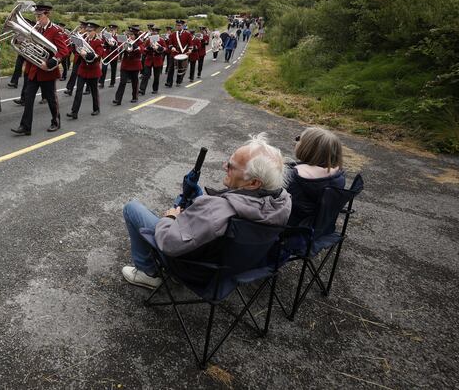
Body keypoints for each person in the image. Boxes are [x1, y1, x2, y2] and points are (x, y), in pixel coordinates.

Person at [120, 133, 291, 289]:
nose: (225, 166)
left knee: (132, 208)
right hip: (228, 269)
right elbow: (215, 218)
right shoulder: (282, 204)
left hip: (192, 269)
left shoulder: (217, 211)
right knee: (183, 204)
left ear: (253, 183)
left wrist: (170, 218)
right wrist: (200, 200)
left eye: (231, 166)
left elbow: (169, 243)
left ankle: (147, 272)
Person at [12, 3, 69, 135]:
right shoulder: (35, 29)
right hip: (34, 69)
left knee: (51, 99)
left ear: (47, 15)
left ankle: (56, 121)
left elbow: (63, 51)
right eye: (36, 16)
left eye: (39, 16)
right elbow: (30, 44)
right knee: (28, 98)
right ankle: (25, 127)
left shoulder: (55, 30)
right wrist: (20, 42)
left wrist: (50, 63)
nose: (37, 19)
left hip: (47, 71)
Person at [285, 127, 345, 228]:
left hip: (292, 228)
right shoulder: (338, 176)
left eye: (299, 139)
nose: (296, 141)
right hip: (319, 228)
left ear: (308, 148)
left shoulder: (294, 176)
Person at [67, 23, 104, 119]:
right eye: (87, 31)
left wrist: (86, 54)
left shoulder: (98, 42)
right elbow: (76, 52)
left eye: (90, 31)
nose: (87, 33)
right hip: (83, 69)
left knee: (94, 91)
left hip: (93, 70)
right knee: (78, 91)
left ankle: (96, 109)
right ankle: (74, 112)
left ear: (95, 31)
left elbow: (98, 56)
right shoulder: (84, 40)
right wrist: (74, 46)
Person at [113, 26, 144, 105]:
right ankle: (118, 99)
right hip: (125, 64)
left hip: (135, 65)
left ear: (136, 35)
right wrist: (121, 47)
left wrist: (134, 46)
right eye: (129, 35)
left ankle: (135, 97)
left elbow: (141, 50)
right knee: (122, 82)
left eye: (132, 35)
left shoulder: (139, 42)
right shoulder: (125, 41)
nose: (130, 36)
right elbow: (120, 50)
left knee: (134, 82)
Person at [138, 28, 166, 95]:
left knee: (156, 76)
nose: (153, 33)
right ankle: (142, 89)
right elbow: (144, 49)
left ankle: (155, 89)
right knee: (146, 75)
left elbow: (165, 49)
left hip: (157, 59)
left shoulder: (161, 40)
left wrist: (159, 48)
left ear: (158, 33)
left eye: (155, 32)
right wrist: (148, 48)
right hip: (149, 59)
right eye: (153, 31)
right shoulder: (148, 40)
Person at [165, 20, 191, 87]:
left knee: (180, 69)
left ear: (182, 26)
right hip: (174, 54)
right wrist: (172, 48)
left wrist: (190, 50)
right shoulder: (173, 34)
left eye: (179, 25)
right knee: (171, 68)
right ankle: (169, 83)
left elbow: (190, 45)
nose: (178, 26)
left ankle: (178, 81)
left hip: (183, 54)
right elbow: (170, 44)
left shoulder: (187, 34)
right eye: (177, 25)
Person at [99, 23, 120, 88]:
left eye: (113, 29)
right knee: (104, 68)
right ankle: (101, 82)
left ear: (116, 30)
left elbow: (120, 46)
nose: (111, 31)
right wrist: (104, 43)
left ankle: (112, 83)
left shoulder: (118, 37)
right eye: (110, 29)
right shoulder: (106, 36)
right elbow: (102, 43)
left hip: (114, 54)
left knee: (113, 69)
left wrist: (113, 45)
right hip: (106, 54)